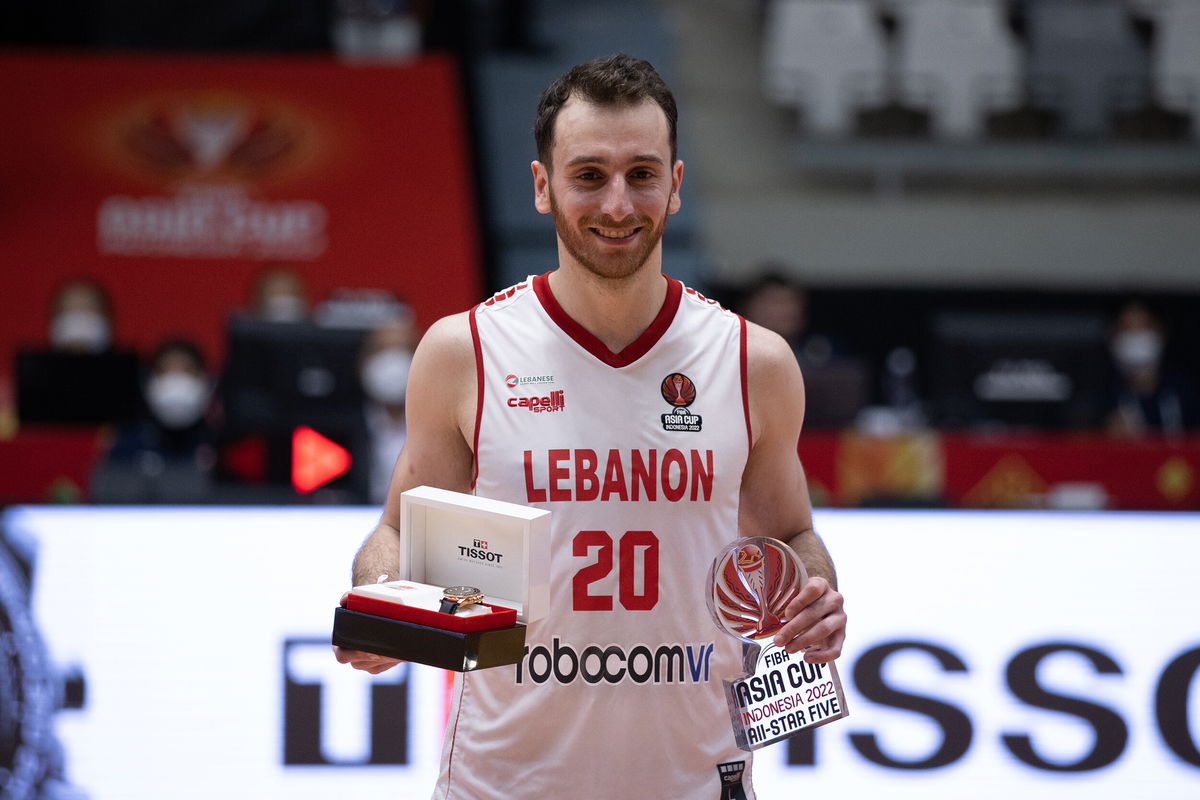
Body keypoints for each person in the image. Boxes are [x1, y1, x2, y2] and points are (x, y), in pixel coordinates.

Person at [334, 54, 846, 798]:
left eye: (641, 173)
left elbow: (789, 539)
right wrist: (385, 605)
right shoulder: (462, 351)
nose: (616, 203)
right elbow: (397, 534)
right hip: (503, 784)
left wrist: (813, 600)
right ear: (542, 188)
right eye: (588, 175)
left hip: (696, 782)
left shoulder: (753, 362)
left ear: (675, 185)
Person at [1105, 300, 1198, 436]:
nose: (1136, 335)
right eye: (1127, 328)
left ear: (1161, 332)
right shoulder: (1104, 398)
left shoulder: (1185, 391)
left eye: (1145, 326)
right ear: (1113, 336)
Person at [357, 317, 417, 504]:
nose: (392, 362)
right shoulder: (342, 425)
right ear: (363, 362)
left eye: (402, 350)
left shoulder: (441, 425)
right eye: (382, 350)